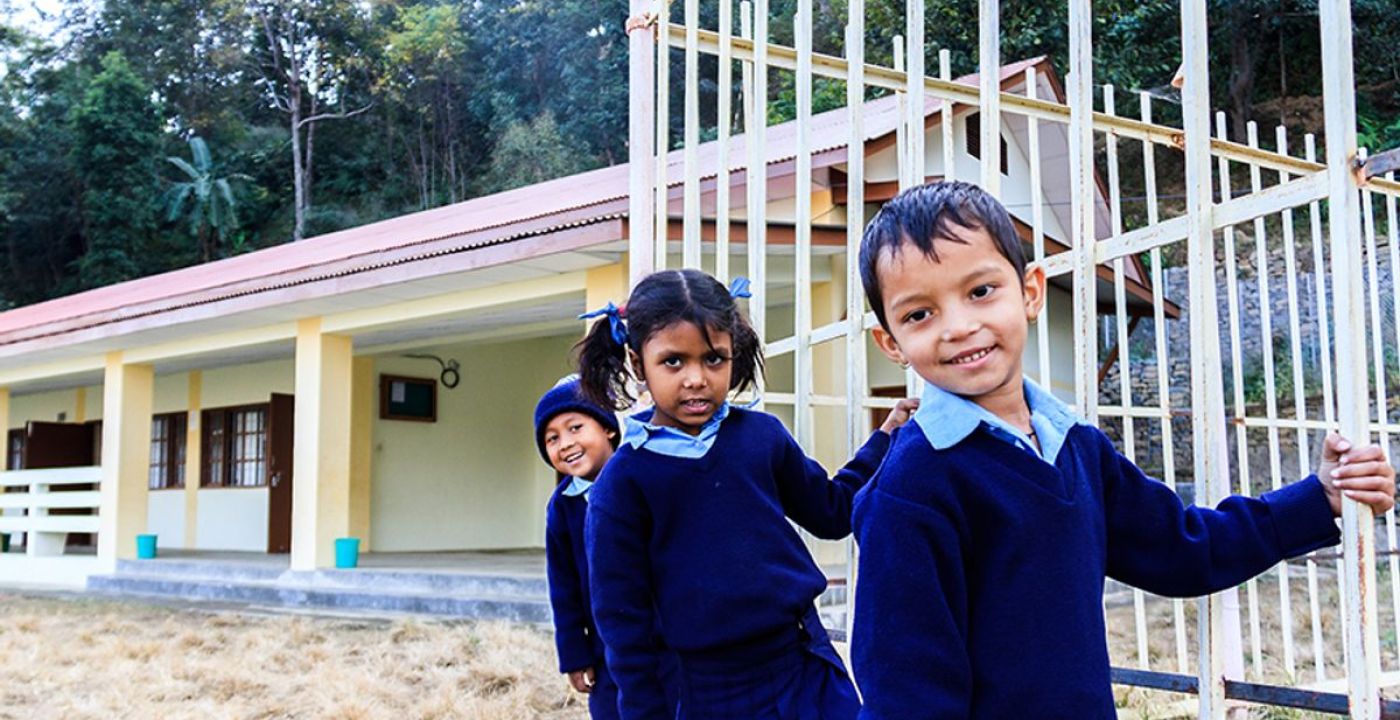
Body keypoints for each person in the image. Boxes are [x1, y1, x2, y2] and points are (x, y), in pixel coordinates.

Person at [850, 180, 1397, 718]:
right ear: (891, 342)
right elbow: (906, 694)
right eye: (919, 314)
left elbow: (1184, 549)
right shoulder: (908, 489)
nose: (959, 327)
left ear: (1031, 292)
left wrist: (1319, 497)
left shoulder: (1077, 447)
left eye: (980, 291)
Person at [576, 268, 917, 719]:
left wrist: (885, 440)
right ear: (639, 365)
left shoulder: (762, 437)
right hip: (708, 691)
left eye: (713, 359)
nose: (696, 378)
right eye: (673, 362)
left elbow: (832, 511)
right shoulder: (623, 484)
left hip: (803, 665)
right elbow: (623, 623)